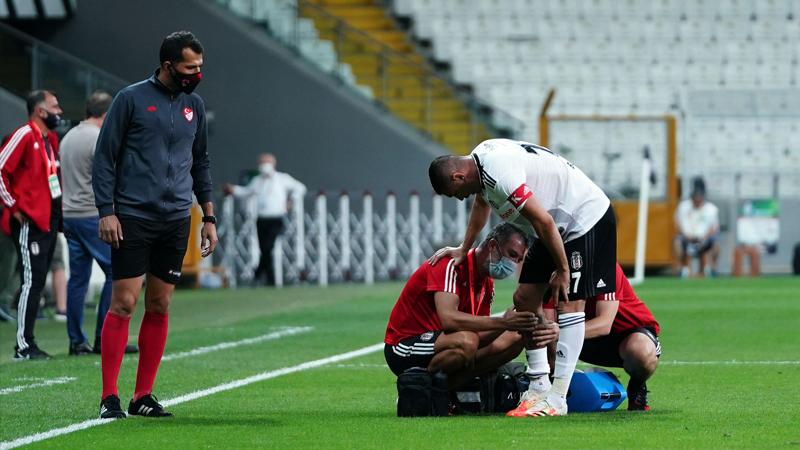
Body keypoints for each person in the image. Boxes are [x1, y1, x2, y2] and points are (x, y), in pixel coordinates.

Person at [428, 138, 616, 417]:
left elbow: (544, 221)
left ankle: (558, 398)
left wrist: (563, 270)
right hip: (551, 227)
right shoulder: (481, 164)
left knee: (569, 302)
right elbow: (482, 204)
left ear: (458, 176)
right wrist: (464, 247)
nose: (458, 197)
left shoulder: (501, 175)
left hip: (583, 220)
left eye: (452, 192)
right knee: (524, 297)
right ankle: (539, 386)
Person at [93, 31, 217, 419]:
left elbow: (201, 164)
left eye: (200, 66)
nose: (197, 73)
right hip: (132, 216)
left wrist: (208, 216)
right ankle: (109, 396)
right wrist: (106, 211)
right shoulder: (130, 99)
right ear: (168, 65)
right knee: (124, 303)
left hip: (176, 218)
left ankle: (142, 395)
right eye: (190, 67)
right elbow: (104, 158)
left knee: (160, 304)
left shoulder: (193, 105)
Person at [385, 223, 558, 389]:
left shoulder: (486, 283)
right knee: (466, 342)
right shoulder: (451, 264)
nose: (513, 264)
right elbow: (449, 320)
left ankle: (447, 391)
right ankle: (420, 388)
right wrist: (504, 323)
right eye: (511, 254)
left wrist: (519, 320)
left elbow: (480, 334)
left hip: (445, 343)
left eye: (518, 259)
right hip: (404, 345)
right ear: (492, 245)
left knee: (514, 337)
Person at [60, 91, 138, 356]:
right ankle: (105, 339)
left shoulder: (69, 136)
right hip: (93, 215)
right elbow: (111, 176)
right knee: (117, 273)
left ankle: (76, 341)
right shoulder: (98, 137)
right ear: (107, 114)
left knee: (78, 280)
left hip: (70, 215)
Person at [544, 263, 660, 411]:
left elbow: (604, 324)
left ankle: (637, 385)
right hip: (581, 339)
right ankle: (545, 390)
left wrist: (561, 333)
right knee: (533, 326)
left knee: (641, 352)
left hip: (625, 335)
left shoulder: (605, 265)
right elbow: (547, 324)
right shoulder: (551, 269)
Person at [0, 90, 63, 360]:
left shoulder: (50, 139)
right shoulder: (25, 134)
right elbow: (1, 167)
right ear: (40, 110)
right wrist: (13, 206)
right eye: (54, 106)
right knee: (31, 282)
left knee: (36, 281)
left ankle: (27, 343)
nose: (59, 111)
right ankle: (23, 346)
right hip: (28, 221)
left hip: (47, 221)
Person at [222, 153, 306, 286]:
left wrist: (291, 201)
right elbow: (246, 191)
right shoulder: (257, 181)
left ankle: (258, 275)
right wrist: (233, 189)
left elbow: (300, 188)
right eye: (261, 162)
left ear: (273, 163)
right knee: (265, 249)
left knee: (268, 247)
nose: (263, 166)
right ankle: (270, 280)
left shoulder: (282, 179)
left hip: (276, 218)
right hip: (261, 219)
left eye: (266, 162)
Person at [674, 178, 719, 278]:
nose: (697, 200)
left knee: (715, 244)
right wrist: (686, 236)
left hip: (704, 239)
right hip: (686, 238)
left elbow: (714, 228)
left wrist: (705, 237)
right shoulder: (683, 206)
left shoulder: (711, 209)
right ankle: (680, 270)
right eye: (695, 197)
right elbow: (677, 223)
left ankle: (711, 269)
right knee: (677, 243)